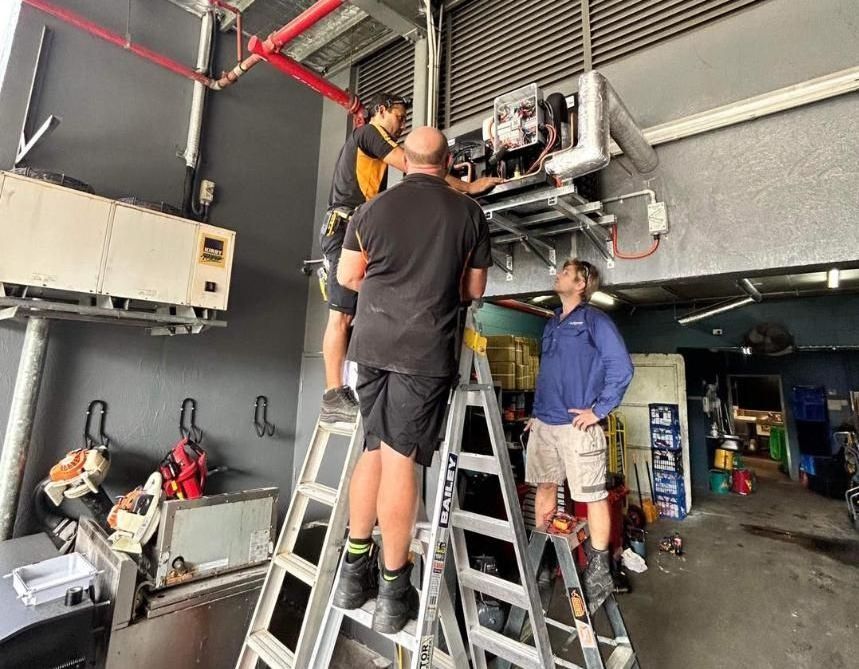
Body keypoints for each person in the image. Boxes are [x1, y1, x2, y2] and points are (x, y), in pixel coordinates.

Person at [330, 126, 492, 633]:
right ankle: (393, 589)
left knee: (373, 449)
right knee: (402, 461)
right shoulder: (469, 213)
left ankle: (353, 574)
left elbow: (347, 278)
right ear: (447, 163)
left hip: (371, 347)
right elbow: (473, 289)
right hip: (424, 352)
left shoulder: (371, 209)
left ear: (406, 162)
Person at [319, 93, 500, 426]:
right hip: (344, 229)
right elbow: (415, 167)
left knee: (352, 314)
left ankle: (345, 385)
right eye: (399, 117)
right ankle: (333, 394)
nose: (401, 125)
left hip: (352, 228)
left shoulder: (368, 142)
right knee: (341, 315)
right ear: (381, 110)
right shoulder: (370, 133)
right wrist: (468, 188)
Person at [526, 258, 633, 612]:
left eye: (565, 272)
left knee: (592, 495)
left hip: (577, 426)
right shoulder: (552, 323)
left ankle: (600, 569)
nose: (557, 274)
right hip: (545, 423)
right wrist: (536, 415)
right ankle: (542, 566)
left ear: (581, 283)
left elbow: (621, 367)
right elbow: (551, 372)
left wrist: (599, 410)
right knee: (545, 486)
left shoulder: (595, 321)